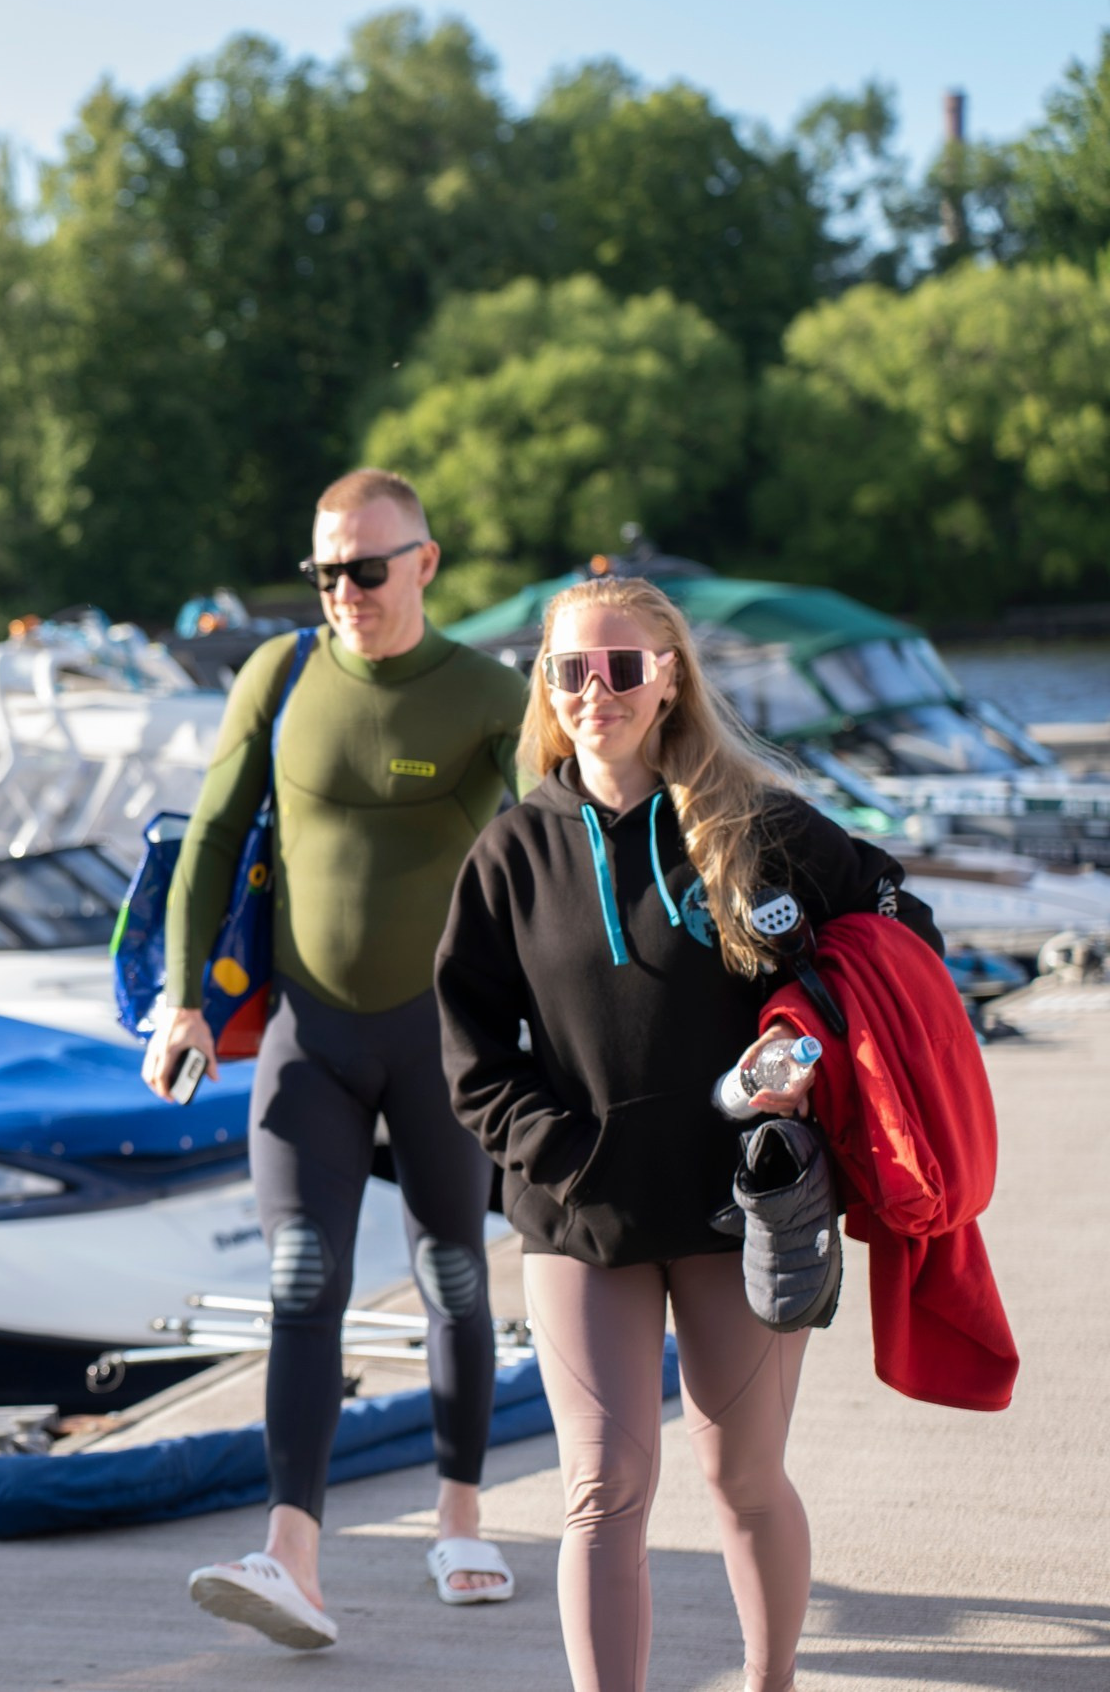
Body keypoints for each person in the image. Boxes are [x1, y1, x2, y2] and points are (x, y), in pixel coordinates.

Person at [434, 577, 937, 1692]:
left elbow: (898, 928)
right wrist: (568, 1155)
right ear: (546, 683)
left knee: (743, 1479)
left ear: (669, 677)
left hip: (741, 1207)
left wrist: (808, 1050)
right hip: (578, 1214)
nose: (593, 691)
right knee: (603, 1488)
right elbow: (470, 1054)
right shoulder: (512, 853)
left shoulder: (757, 825)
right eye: (570, 669)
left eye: (620, 667)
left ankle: (770, 1684)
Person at [146, 469, 529, 1648]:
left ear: (423, 562)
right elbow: (209, 837)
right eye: (323, 573)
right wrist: (184, 1002)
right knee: (301, 1277)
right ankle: (291, 1556)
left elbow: (556, 852)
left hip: (438, 1041)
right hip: (311, 1033)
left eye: (366, 569)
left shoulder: (482, 693)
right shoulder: (281, 672)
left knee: (454, 1275)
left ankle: (459, 1515)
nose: (343, 592)